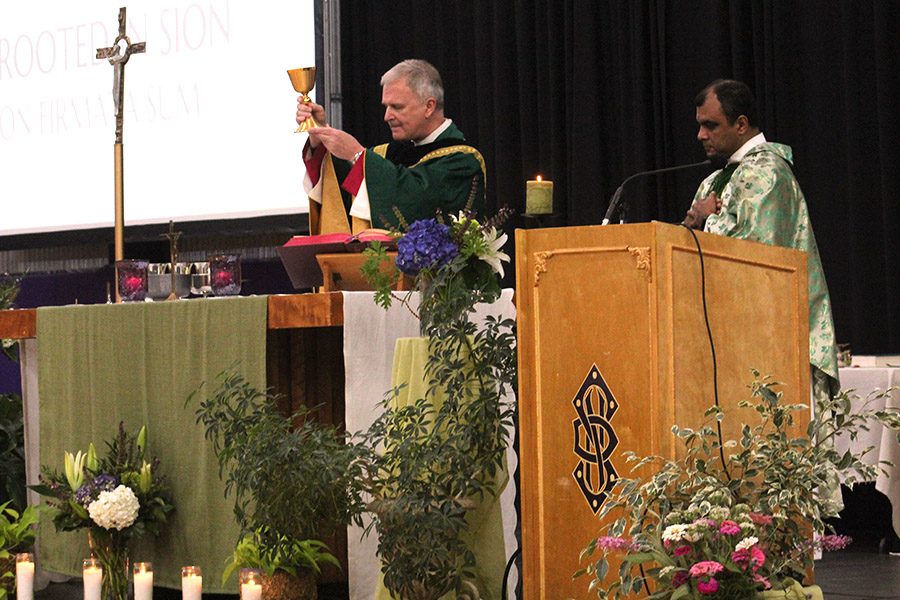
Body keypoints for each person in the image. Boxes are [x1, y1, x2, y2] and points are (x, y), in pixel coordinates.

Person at [683, 79, 839, 400]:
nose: (701, 135)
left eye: (710, 125)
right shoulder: (714, 180)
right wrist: (686, 229)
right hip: (720, 337)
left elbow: (755, 252)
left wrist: (704, 220)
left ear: (741, 124)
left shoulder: (768, 172)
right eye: (700, 126)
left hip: (767, 339)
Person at [296, 59, 486, 233]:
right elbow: (345, 191)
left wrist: (357, 155)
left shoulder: (463, 161)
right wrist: (320, 135)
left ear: (429, 106)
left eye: (397, 107)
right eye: (386, 106)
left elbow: (417, 201)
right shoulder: (389, 154)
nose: (387, 116)